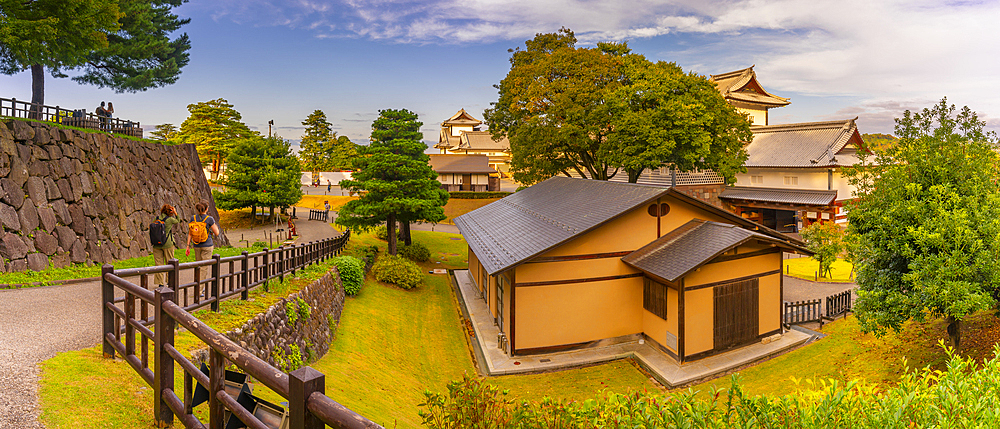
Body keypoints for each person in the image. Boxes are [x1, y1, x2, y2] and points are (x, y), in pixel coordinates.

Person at [186, 200, 221, 279]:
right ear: (206, 209)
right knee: (204, 268)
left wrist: (188, 246)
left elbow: (190, 233)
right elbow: (217, 233)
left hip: (196, 245)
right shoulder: (209, 219)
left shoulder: (193, 218)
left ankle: (198, 285)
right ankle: (199, 289)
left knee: (198, 266)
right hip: (207, 245)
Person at [151, 204, 179, 287]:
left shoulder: (156, 219)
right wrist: (175, 212)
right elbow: (178, 220)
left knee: (158, 264)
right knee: (169, 263)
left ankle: (160, 283)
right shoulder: (170, 219)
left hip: (156, 244)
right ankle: (169, 281)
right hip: (167, 244)